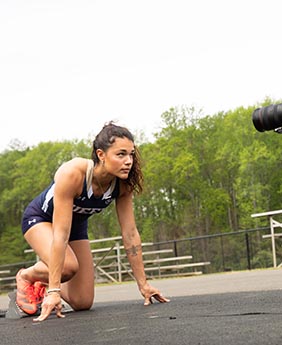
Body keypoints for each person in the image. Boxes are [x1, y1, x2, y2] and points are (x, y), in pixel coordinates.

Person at [17, 121, 169, 322]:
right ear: (100, 155)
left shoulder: (123, 185)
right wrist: (54, 290)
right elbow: (61, 233)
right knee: (68, 267)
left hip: (76, 226)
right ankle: (27, 276)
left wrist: (143, 285)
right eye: (121, 154)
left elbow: (130, 233)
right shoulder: (73, 173)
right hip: (41, 219)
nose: (129, 161)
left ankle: (43, 282)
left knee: (82, 302)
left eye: (131, 154)